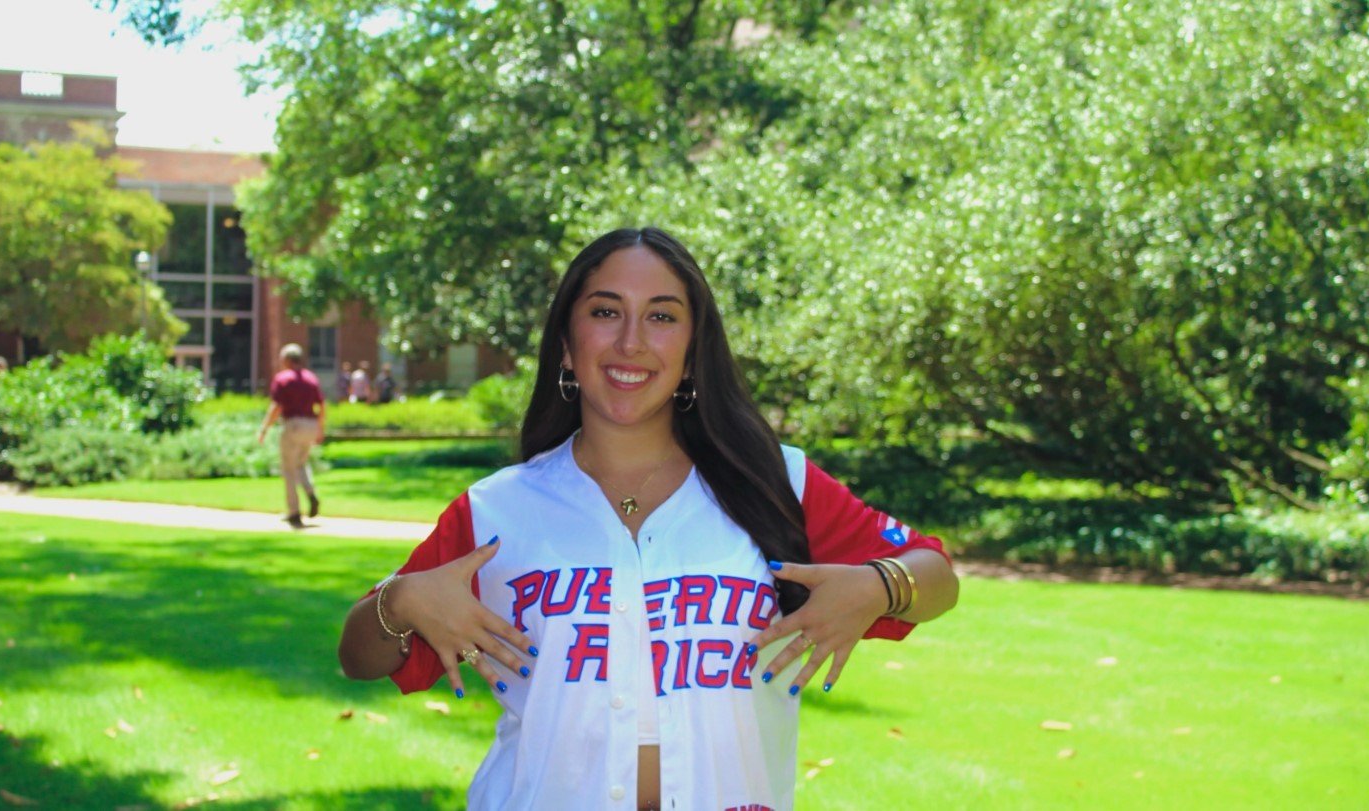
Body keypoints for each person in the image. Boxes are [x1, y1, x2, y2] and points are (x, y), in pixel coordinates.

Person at [337, 227, 959, 811]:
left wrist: (880, 586)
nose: (631, 341)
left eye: (662, 317)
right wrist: (404, 600)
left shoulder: (774, 482)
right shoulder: (499, 508)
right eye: (606, 312)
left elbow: (936, 575)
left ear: (691, 354)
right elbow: (358, 655)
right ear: (566, 344)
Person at [257, 343, 325, 528]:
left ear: (287, 359)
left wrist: (264, 428)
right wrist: (319, 429)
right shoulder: (311, 379)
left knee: (288, 469)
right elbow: (321, 406)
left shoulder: (283, 379)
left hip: (293, 424)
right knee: (301, 464)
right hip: (310, 425)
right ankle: (310, 493)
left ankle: (294, 512)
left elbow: (276, 406)